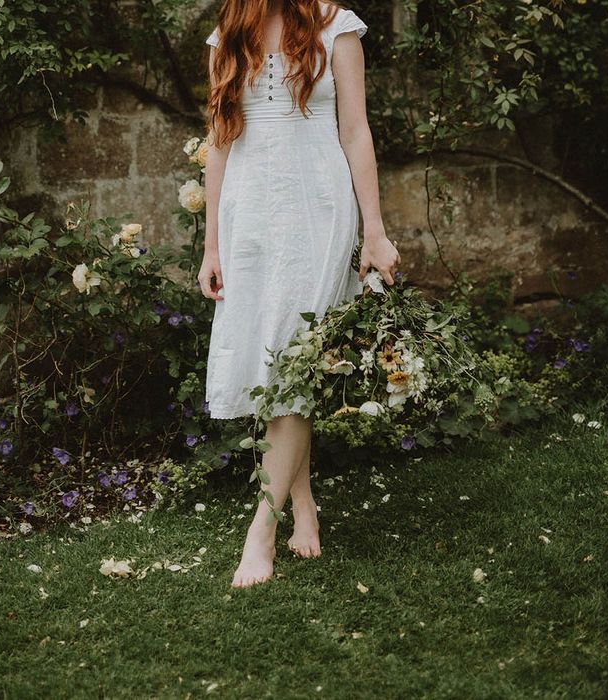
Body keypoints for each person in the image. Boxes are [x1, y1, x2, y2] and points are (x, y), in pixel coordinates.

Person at [198, 0, 400, 588]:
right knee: (272, 360)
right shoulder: (229, 34)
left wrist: (376, 230)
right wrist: (211, 245)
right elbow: (219, 141)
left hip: (317, 209)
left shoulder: (339, 28)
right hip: (250, 212)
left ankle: (261, 528)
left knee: (296, 364)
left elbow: (356, 131)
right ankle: (302, 500)